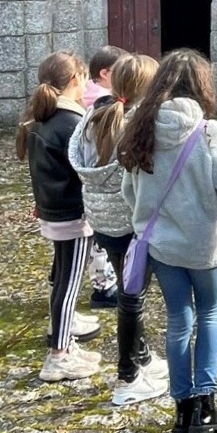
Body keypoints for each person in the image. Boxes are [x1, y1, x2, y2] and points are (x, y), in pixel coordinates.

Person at [118, 49, 217, 433]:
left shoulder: (140, 128)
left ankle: (182, 408)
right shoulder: (211, 133)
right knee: (210, 314)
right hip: (204, 244)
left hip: (162, 245)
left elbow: (129, 190)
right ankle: (206, 405)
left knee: (178, 319)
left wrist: (148, 222)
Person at [68, 53, 169, 405]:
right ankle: (128, 377)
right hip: (129, 223)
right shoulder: (134, 125)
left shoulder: (93, 114)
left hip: (102, 220)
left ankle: (142, 356)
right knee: (131, 298)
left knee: (129, 293)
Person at [16, 50, 103, 382]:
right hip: (73, 214)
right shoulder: (72, 124)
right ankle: (59, 354)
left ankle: (64, 331)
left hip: (53, 209)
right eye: (85, 79)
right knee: (68, 283)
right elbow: (87, 170)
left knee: (62, 276)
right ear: (75, 79)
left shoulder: (43, 117)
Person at [83, 45, 127, 307]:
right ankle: (104, 288)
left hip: (92, 182)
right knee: (98, 240)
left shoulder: (89, 95)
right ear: (105, 73)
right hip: (100, 182)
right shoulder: (101, 103)